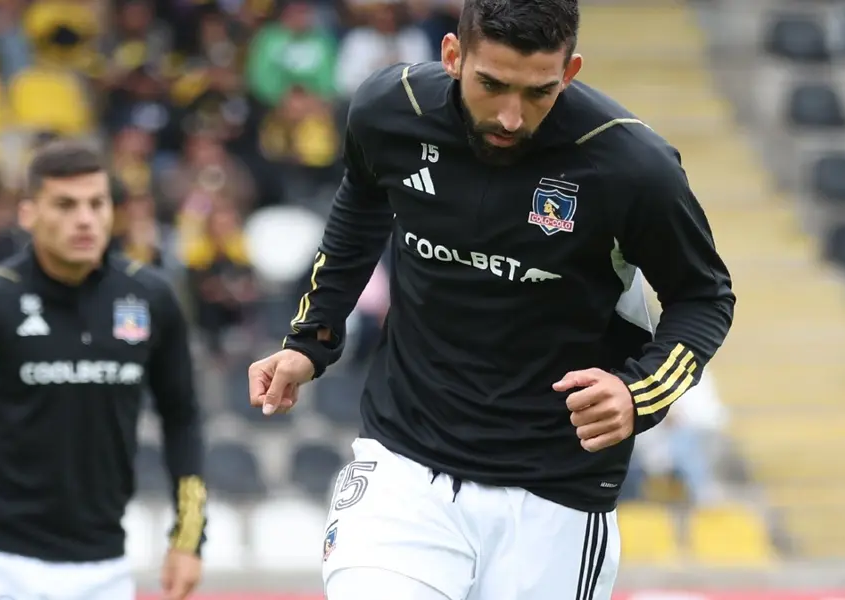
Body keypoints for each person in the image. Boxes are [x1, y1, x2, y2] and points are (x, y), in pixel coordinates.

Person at [247, 0, 736, 598]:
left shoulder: (633, 167)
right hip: (404, 467)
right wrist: (312, 338)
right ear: (453, 55)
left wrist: (638, 393)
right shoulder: (391, 110)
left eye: (539, 92)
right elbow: (362, 203)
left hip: (554, 495)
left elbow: (704, 296)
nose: (510, 116)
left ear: (571, 71)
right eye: (492, 84)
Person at [0, 141, 206, 600]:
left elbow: (182, 418)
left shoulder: (151, 297)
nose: (85, 219)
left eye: (96, 203)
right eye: (65, 205)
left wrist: (188, 542)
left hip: (104, 566)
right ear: (28, 213)